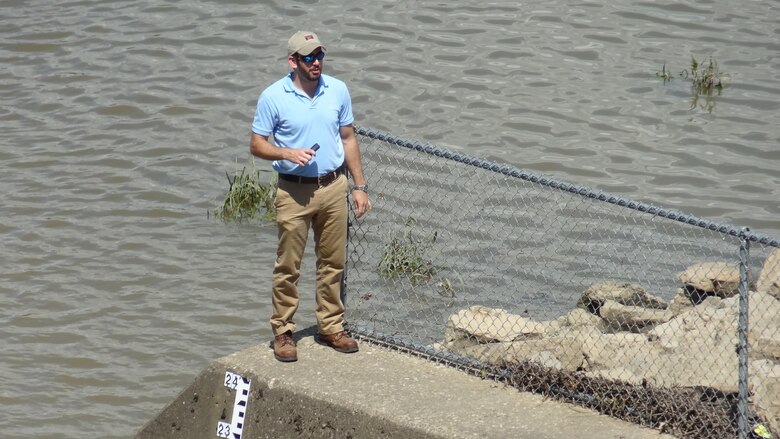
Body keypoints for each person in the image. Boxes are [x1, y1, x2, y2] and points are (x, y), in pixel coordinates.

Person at [249, 31, 371, 362]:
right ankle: (283, 332)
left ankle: (331, 326)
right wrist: (286, 153)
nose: (315, 62)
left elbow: (348, 139)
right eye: (308, 57)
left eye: (319, 55)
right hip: (293, 190)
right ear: (293, 61)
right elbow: (257, 144)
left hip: (334, 187)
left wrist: (359, 186)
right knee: (288, 264)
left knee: (333, 262)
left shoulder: (338, 90)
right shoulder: (273, 96)